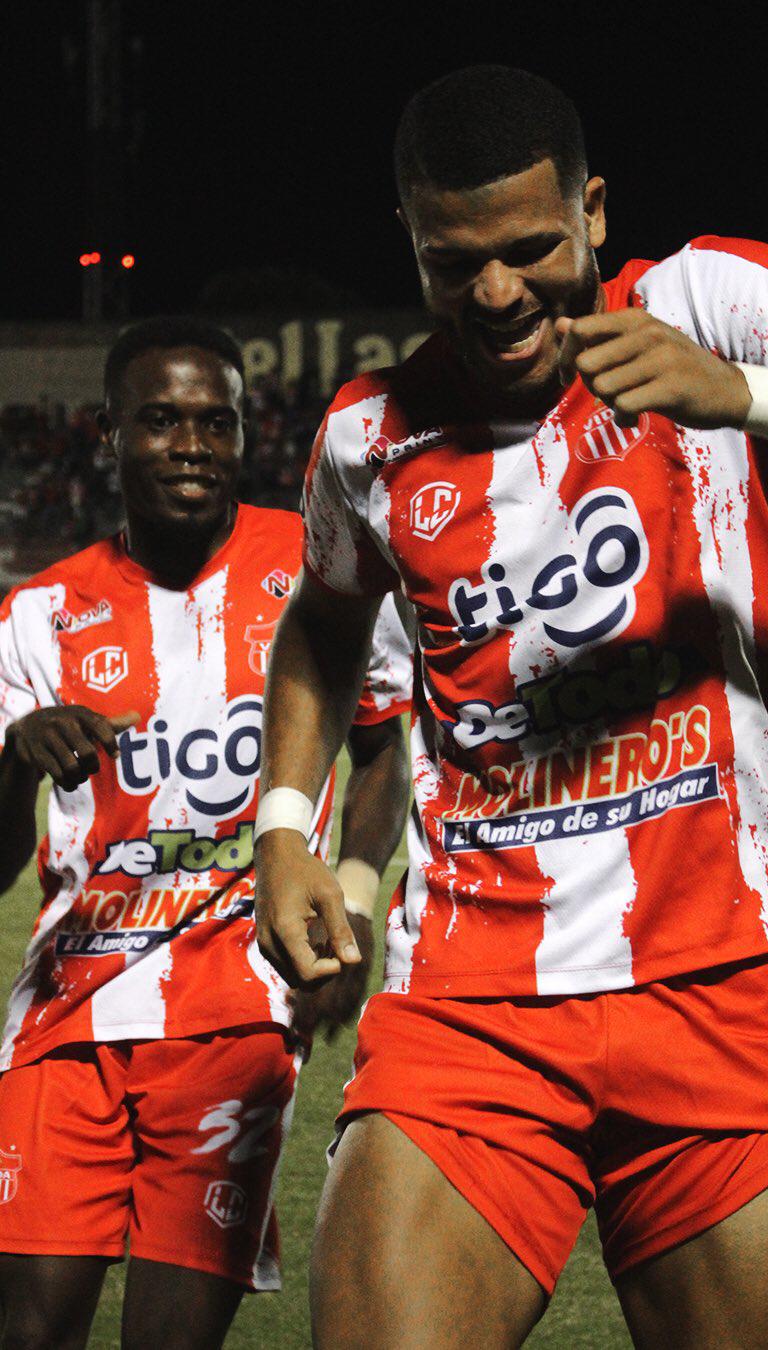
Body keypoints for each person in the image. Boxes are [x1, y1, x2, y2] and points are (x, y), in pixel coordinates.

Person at [253, 66, 768, 1350]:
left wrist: (743, 393)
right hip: (469, 1004)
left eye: (530, 249)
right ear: (410, 240)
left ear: (595, 212)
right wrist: (288, 823)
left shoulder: (710, 301)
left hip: (716, 981)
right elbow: (326, 619)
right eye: (456, 262)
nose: (499, 294)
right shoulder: (367, 435)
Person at [0, 318, 409, 1349]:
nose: (192, 444)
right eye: (161, 421)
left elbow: (384, 753)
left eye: (214, 422)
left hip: (236, 1017)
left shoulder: (320, 572)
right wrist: (13, 760)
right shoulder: (38, 616)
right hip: (65, 1022)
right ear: (106, 433)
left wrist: (351, 893)